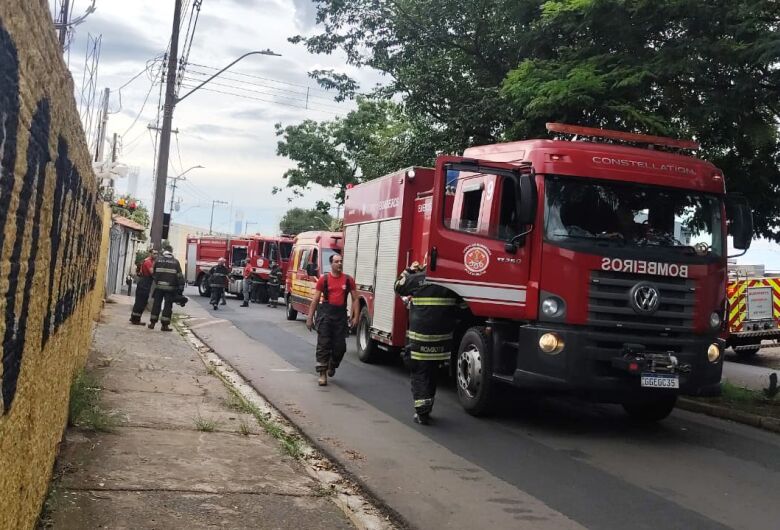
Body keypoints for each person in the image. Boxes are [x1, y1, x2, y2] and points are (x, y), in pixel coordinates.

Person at [394, 262, 464, 425]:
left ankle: (422, 411)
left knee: (419, 372)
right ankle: (427, 406)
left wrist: (408, 270)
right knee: (432, 371)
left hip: (420, 338)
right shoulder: (451, 282)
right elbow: (462, 306)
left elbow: (398, 286)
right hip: (441, 340)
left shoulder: (418, 279)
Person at [306, 254, 358, 386]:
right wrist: (309, 317)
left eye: (341, 261)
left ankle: (332, 364)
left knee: (340, 347)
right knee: (323, 345)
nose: (339, 264)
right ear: (331, 264)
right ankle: (322, 374)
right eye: (336, 262)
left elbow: (355, 299)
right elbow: (316, 299)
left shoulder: (348, 280)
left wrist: (356, 316)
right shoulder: (323, 279)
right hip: (326, 315)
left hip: (340, 316)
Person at [148, 245, 184, 332]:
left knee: (156, 304)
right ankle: (164, 325)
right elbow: (179, 276)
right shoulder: (176, 262)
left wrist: (157, 281)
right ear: (171, 252)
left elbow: (153, 272)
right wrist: (180, 287)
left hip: (159, 287)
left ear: (164, 251)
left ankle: (152, 323)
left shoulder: (158, 260)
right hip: (170, 288)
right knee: (168, 306)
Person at [130, 250, 157, 325]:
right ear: (150, 254)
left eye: (157, 254)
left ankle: (133, 317)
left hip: (144, 282)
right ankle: (136, 320)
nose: (156, 255)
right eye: (154, 253)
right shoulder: (148, 262)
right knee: (142, 301)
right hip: (145, 283)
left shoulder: (148, 261)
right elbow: (152, 273)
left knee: (139, 301)